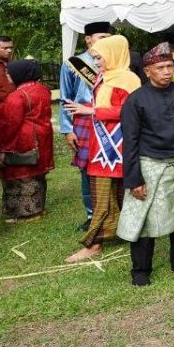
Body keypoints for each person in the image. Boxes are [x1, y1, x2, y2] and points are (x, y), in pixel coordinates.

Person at [117, 43, 174, 286]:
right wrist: (134, 180)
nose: (167, 71)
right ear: (147, 71)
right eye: (160, 68)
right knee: (145, 220)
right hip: (150, 165)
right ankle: (140, 270)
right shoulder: (135, 100)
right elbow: (130, 143)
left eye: (170, 66)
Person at [66, 34, 140, 264]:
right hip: (102, 146)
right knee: (104, 194)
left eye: (99, 57)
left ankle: (96, 244)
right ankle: (109, 236)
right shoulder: (104, 76)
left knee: (119, 193)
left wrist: (92, 111)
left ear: (114, 54)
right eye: (95, 58)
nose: (96, 62)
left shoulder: (128, 79)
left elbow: (129, 110)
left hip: (120, 146)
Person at [60, 21, 113, 229]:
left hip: (109, 119)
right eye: (101, 37)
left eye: (108, 38)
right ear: (88, 39)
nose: (105, 41)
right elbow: (65, 98)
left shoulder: (114, 61)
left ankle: (113, 211)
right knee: (87, 169)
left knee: (112, 164)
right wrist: (67, 130)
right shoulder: (73, 64)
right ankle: (92, 214)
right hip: (84, 122)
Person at [0, 60, 54, 223]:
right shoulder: (42, 89)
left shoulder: (17, 96)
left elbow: (9, 125)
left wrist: (2, 149)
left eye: (9, 72)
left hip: (23, 140)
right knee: (37, 174)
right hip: (41, 138)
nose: (6, 75)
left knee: (22, 175)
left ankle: (27, 213)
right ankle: (38, 208)